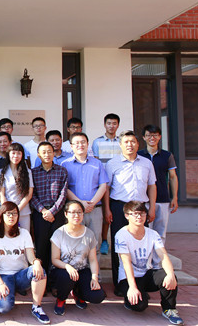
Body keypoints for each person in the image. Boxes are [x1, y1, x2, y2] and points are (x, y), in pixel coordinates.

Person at [116, 201, 183, 325]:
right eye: (135, 214)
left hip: (147, 274)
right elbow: (126, 263)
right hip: (128, 278)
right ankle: (130, 297)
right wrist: (132, 287)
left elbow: (163, 255)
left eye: (142, 213)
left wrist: (170, 274)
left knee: (167, 276)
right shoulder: (121, 235)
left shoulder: (153, 234)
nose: (139, 217)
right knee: (139, 306)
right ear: (127, 216)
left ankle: (169, 309)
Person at [106, 130, 156, 293]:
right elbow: (106, 188)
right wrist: (107, 209)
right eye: (126, 142)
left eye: (133, 141)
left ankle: (141, 282)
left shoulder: (146, 163)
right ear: (120, 145)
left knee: (141, 244)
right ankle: (120, 284)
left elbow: (152, 186)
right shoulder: (112, 163)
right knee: (119, 245)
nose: (130, 145)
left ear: (138, 144)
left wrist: (152, 207)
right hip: (119, 207)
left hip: (140, 208)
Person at [0, 202, 49, 324]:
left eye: (14, 214)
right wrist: (0, 283)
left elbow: (31, 256)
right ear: (1, 215)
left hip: (21, 276)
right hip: (4, 276)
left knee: (40, 271)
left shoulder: (24, 233)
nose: (11, 216)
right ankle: (9, 291)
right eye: (8, 214)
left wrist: (36, 262)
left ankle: (36, 307)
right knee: (4, 308)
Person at [50, 200, 105, 316]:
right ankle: (61, 299)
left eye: (79, 212)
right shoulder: (59, 233)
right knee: (66, 277)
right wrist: (67, 267)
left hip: (81, 270)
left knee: (97, 296)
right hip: (63, 271)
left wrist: (94, 277)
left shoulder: (89, 233)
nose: (76, 215)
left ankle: (78, 293)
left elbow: (93, 259)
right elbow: (54, 259)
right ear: (66, 214)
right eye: (73, 212)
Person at [61, 132, 108, 259]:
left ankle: (95, 271)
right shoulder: (65, 164)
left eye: (83, 142)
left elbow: (103, 186)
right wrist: (80, 203)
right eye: (76, 143)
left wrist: (92, 203)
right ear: (71, 146)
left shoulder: (97, 164)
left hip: (95, 209)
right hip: (74, 211)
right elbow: (65, 188)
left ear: (88, 144)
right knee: (74, 244)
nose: (80, 145)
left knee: (95, 244)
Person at [30, 141, 68, 274]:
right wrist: (43, 210)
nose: (47, 154)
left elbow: (63, 194)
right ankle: (42, 276)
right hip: (39, 214)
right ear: (38, 155)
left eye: (49, 152)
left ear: (54, 153)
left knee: (57, 246)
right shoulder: (33, 173)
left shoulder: (62, 171)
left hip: (57, 214)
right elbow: (31, 195)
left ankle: (55, 278)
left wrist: (52, 211)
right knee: (41, 246)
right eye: (44, 152)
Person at [137, 125, 179, 244]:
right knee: (144, 231)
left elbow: (173, 177)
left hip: (162, 198)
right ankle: (147, 255)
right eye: (149, 135)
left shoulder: (167, 156)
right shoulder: (138, 155)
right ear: (144, 137)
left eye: (155, 135)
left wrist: (175, 197)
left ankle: (159, 255)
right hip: (143, 199)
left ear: (160, 137)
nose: (152, 138)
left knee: (161, 232)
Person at [93, 113, 122, 256]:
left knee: (117, 212)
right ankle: (104, 240)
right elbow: (96, 162)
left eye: (114, 123)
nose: (111, 126)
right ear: (105, 125)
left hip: (119, 182)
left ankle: (119, 240)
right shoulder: (97, 142)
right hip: (103, 183)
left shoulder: (121, 142)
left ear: (118, 125)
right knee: (105, 211)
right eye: (109, 123)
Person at [0, 143, 33, 230]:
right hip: (6, 212)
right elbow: (1, 194)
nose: (16, 156)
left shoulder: (27, 172)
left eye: (19, 153)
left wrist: (17, 209)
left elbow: (29, 194)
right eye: (13, 153)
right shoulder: (2, 172)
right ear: (8, 154)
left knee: (24, 235)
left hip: (23, 211)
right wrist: (9, 210)